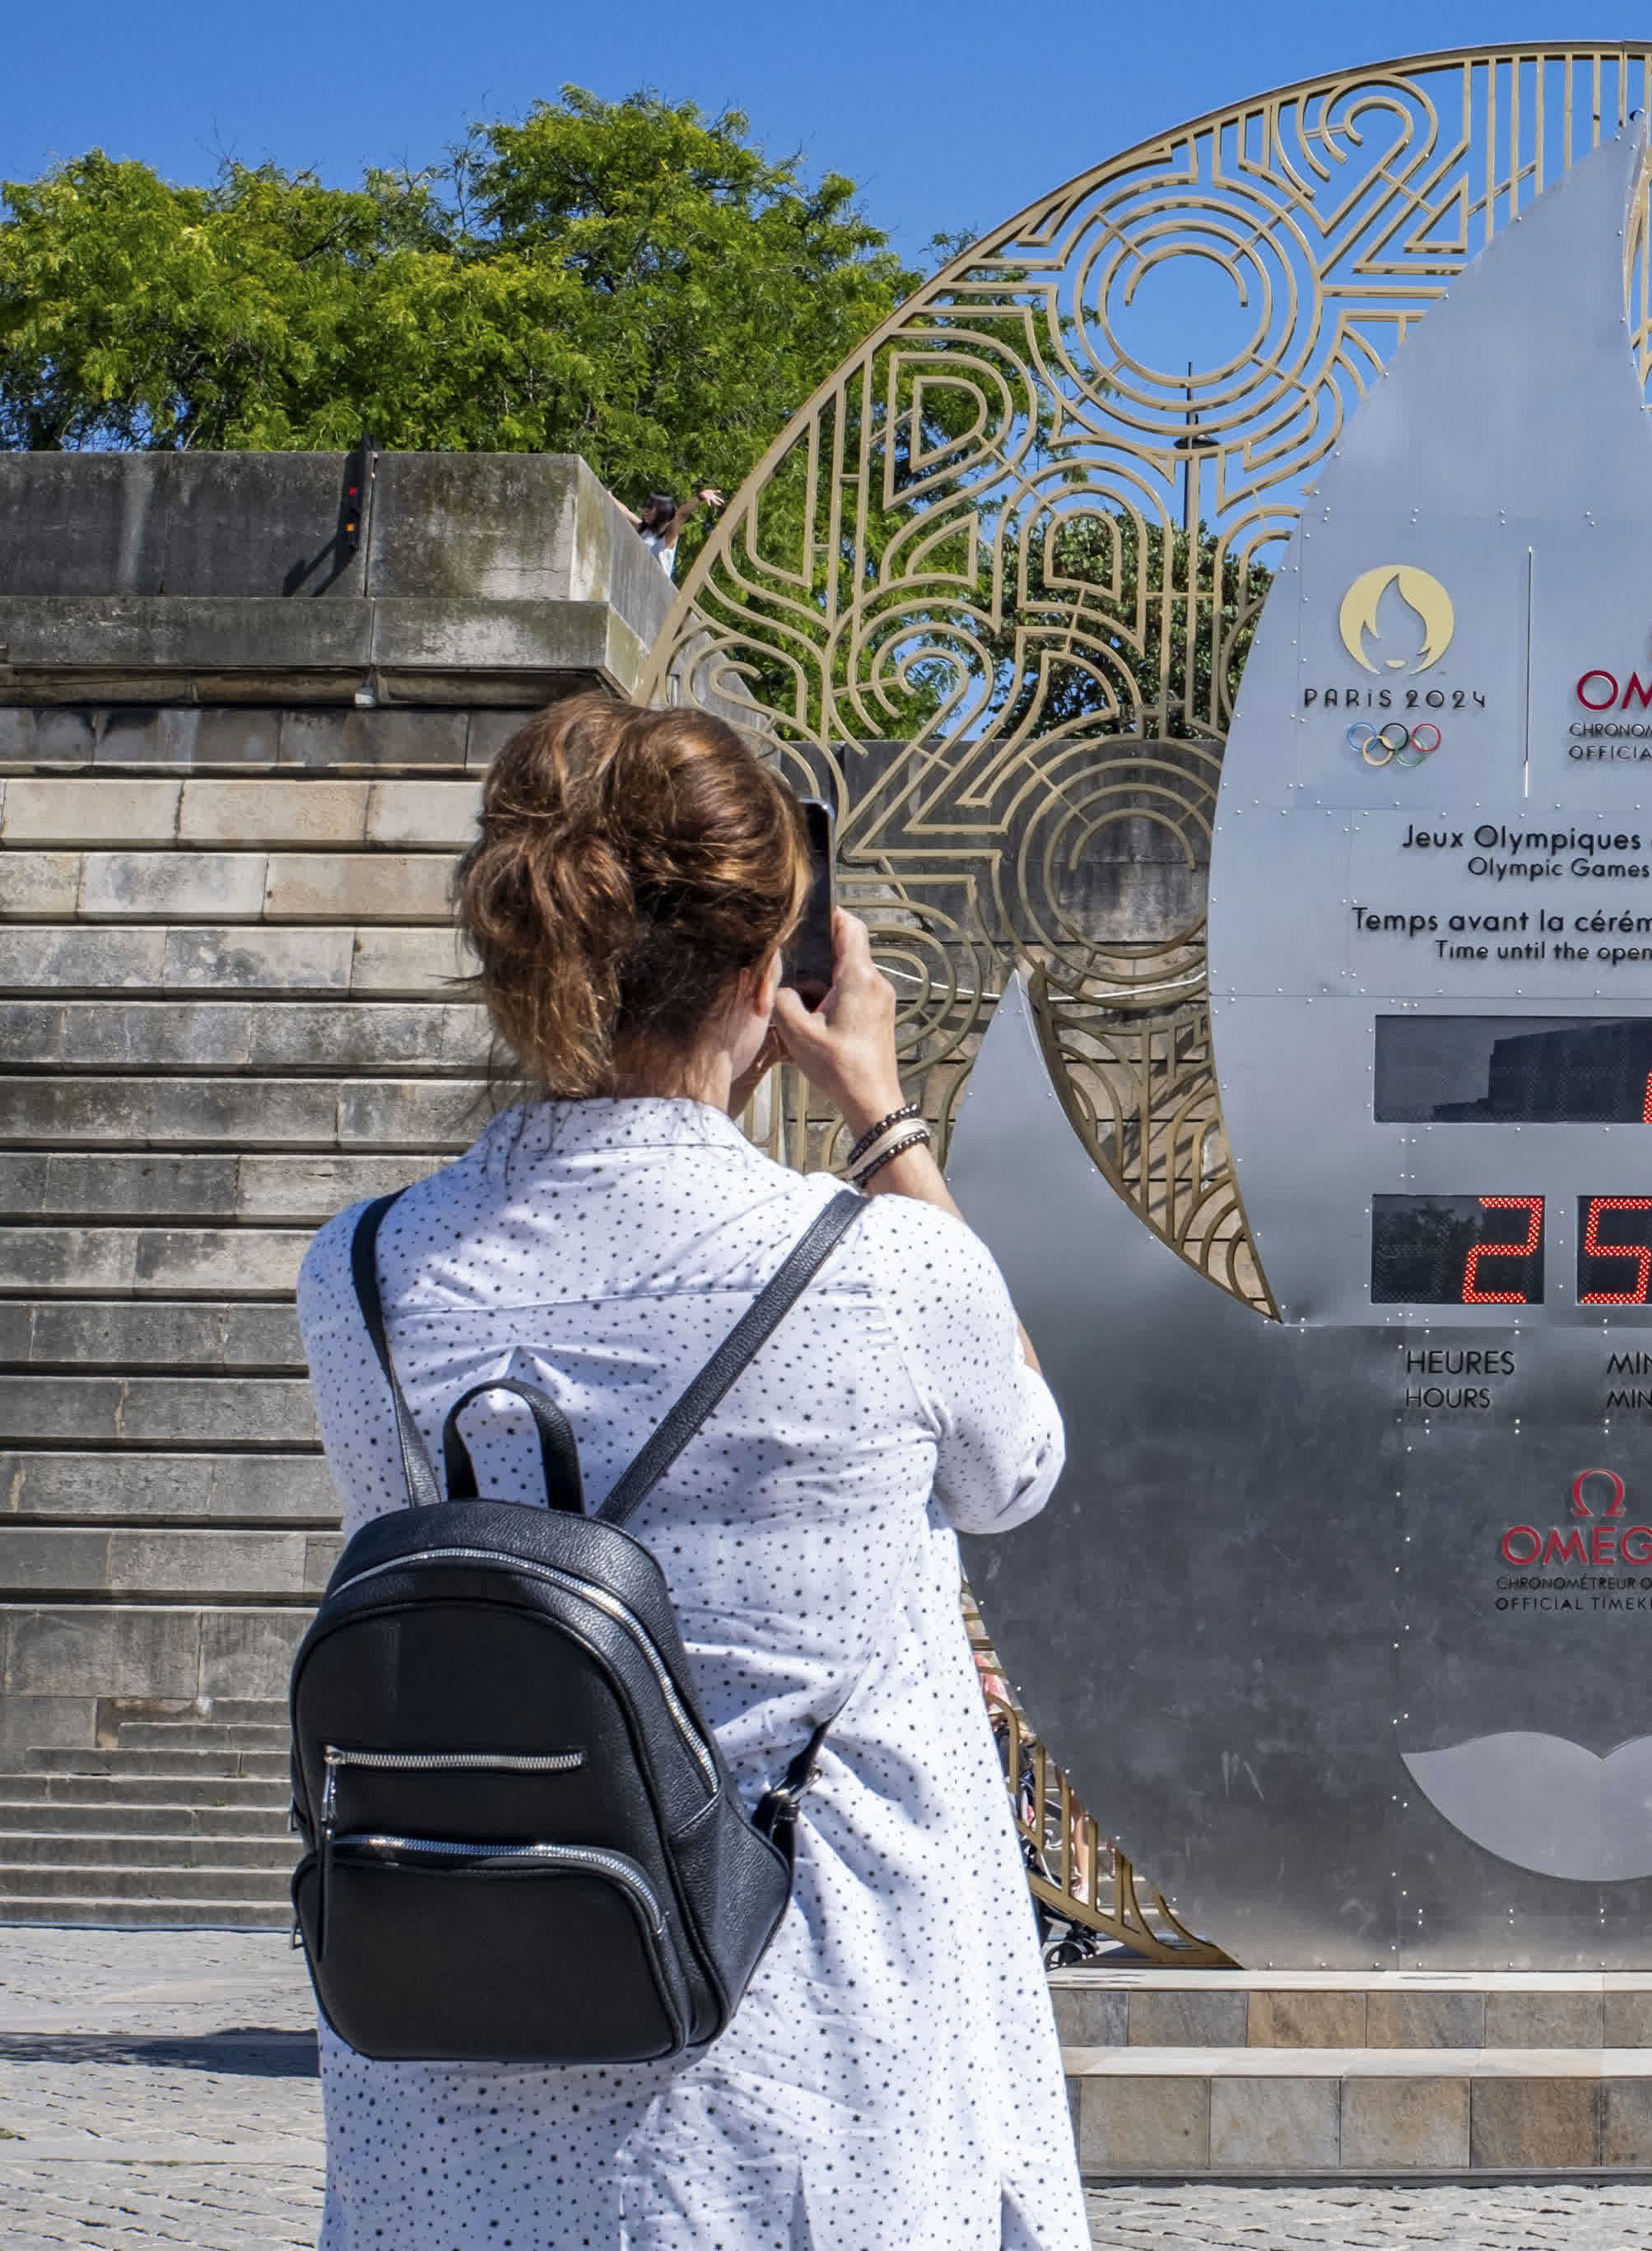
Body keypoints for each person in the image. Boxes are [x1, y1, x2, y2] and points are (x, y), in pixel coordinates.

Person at [296, 694, 1086, 2248]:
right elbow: (1022, 1458)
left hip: (453, 2086)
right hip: (803, 2081)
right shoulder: (885, 1276)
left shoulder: (364, 1279)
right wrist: (881, 1108)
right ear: (758, 974)